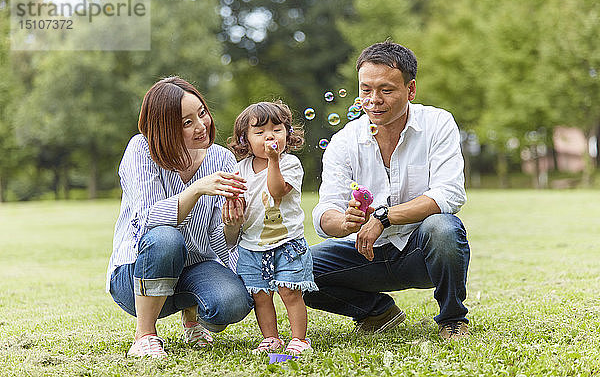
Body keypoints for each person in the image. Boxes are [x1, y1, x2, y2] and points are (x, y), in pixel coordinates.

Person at [303, 41, 470, 341]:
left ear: (411, 89)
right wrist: (343, 223)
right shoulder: (344, 142)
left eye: (386, 90)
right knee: (297, 268)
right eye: (365, 90)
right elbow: (325, 210)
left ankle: (453, 319)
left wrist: (383, 217)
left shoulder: (437, 124)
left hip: (421, 249)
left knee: (444, 227)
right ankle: (377, 311)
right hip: (365, 254)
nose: (373, 100)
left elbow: (450, 193)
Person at [106, 77, 254, 359]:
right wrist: (197, 189)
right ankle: (145, 335)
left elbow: (220, 244)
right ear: (165, 128)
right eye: (186, 122)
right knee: (166, 238)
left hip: (194, 267)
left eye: (201, 113)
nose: (201, 126)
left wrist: (232, 225)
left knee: (233, 303)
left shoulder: (222, 159)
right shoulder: (142, 150)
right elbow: (148, 221)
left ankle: (192, 317)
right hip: (136, 273)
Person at [225, 101, 317, 355]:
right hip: (252, 246)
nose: (270, 136)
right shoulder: (240, 169)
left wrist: (274, 159)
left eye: (277, 129)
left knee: (290, 292)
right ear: (245, 139)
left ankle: (299, 339)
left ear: (287, 133)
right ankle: (271, 339)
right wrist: (234, 204)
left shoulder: (289, 164)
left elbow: (276, 191)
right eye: (260, 132)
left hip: (287, 244)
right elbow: (238, 202)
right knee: (261, 297)